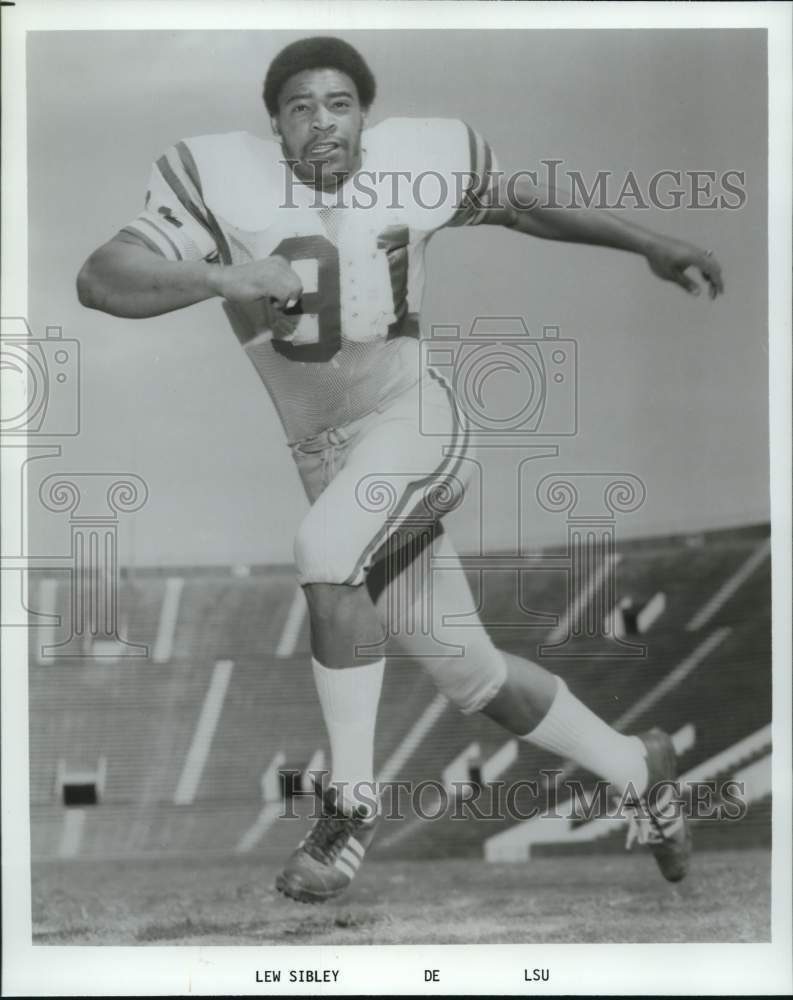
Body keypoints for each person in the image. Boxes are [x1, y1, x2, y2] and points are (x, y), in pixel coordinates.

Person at [77, 36, 724, 904]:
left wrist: (646, 240)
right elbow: (100, 276)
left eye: (338, 103)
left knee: (323, 549)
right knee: (470, 673)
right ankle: (635, 765)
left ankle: (349, 812)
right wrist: (220, 275)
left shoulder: (424, 160)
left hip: (413, 424)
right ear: (274, 125)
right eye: (300, 106)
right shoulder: (220, 177)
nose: (321, 120)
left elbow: (524, 207)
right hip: (327, 456)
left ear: (365, 115)